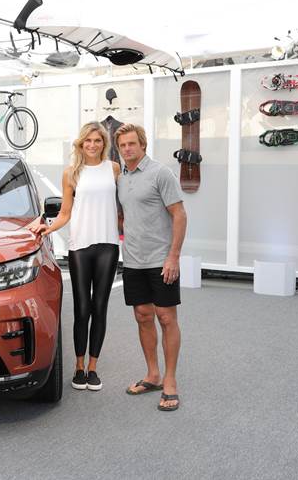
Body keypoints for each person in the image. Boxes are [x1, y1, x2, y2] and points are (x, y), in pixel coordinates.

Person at [30, 122, 120, 391]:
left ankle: (93, 368)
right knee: (82, 308)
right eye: (88, 141)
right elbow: (65, 213)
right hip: (80, 246)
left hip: (108, 245)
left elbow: (124, 204)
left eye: (97, 141)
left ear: (104, 144)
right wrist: (47, 227)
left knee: (99, 307)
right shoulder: (71, 173)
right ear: (81, 144)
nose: (92, 145)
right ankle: (78, 367)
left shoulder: (114, 169)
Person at [115, 123, 187, 411]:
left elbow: (179, 215)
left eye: (132, 143)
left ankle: (170, 381)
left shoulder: (161, 173)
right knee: (143, 316)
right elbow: (126, 216)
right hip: (133, 260)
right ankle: (153, 375)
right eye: (122, 145)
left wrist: (173, 257)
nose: (127, 149)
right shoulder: (121, 179)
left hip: (161, 260)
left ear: (142, 144)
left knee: (166, 318)